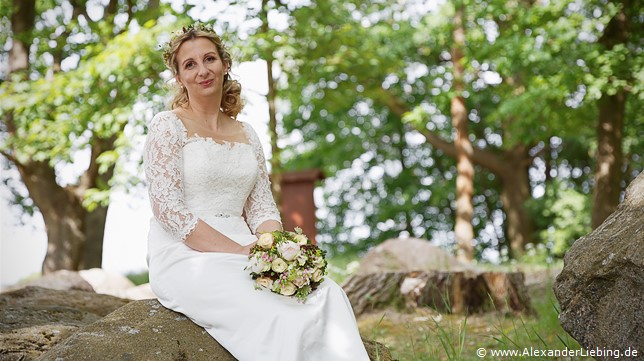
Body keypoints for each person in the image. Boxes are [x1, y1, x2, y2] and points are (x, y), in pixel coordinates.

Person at [144, 22, 370, 361]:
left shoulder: (247, 133)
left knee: (327, 293)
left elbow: (263, 208)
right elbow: (168, 210)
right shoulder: (167, 125)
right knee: (275, 314)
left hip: (249, 248)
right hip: (186, 254)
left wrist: (278, 253)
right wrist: (241, 252)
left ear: (224, 64)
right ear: (179, 77)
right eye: (190, 64)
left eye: (210, 59)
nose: (202, 70)